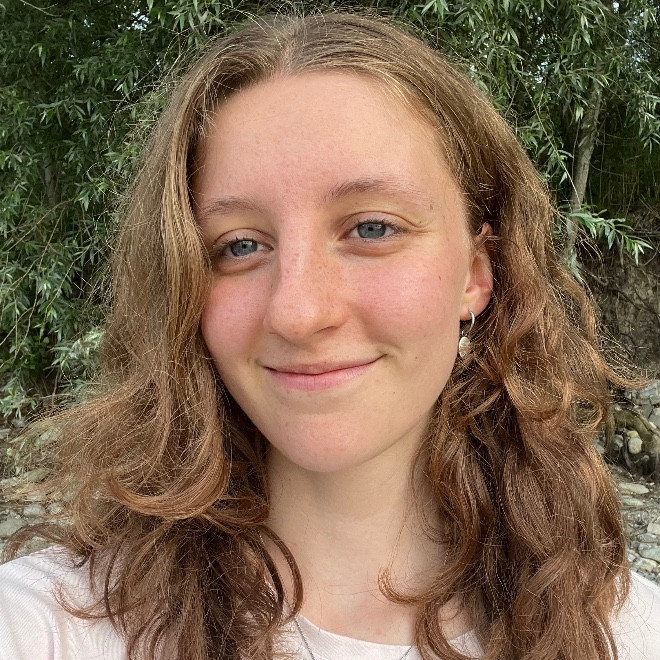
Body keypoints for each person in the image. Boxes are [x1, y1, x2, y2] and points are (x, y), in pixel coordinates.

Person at [0, 11, 658, 660]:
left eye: (372, 228)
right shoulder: (46, 627)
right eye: (240, 245)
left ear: (475, 274)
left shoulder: (631, 635)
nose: (297, 312)